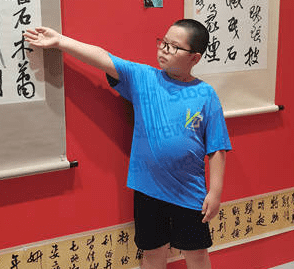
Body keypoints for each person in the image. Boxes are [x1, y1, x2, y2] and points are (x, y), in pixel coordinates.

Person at [23, 19, 231, 269]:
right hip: (148, 190)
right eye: (163, 42)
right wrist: (60, 41)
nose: (164, 50)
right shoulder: (143, 77)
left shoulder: (206, 94)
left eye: (174, 47)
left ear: (194, 58)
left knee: (196, 255)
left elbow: (217, 148)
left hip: (190, 193)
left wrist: (215, 193)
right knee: (152, 253)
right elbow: (103, 57)